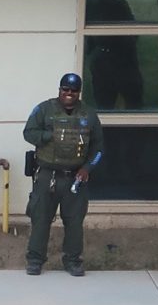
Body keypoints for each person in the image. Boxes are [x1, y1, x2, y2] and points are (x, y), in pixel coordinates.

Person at [22, 71, 106, 276]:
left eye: (73, 91)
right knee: (41, 219)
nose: (69, 93)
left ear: (79, 92)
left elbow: (99, 149)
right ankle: (35, 260)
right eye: (65, 89)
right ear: (59, 89)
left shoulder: (89, 115)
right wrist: (47, 136)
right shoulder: (44, 109)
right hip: (47, 175)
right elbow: (28, 132)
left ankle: (73, 260)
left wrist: (87, 168)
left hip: (74, 177)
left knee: (74, 222)